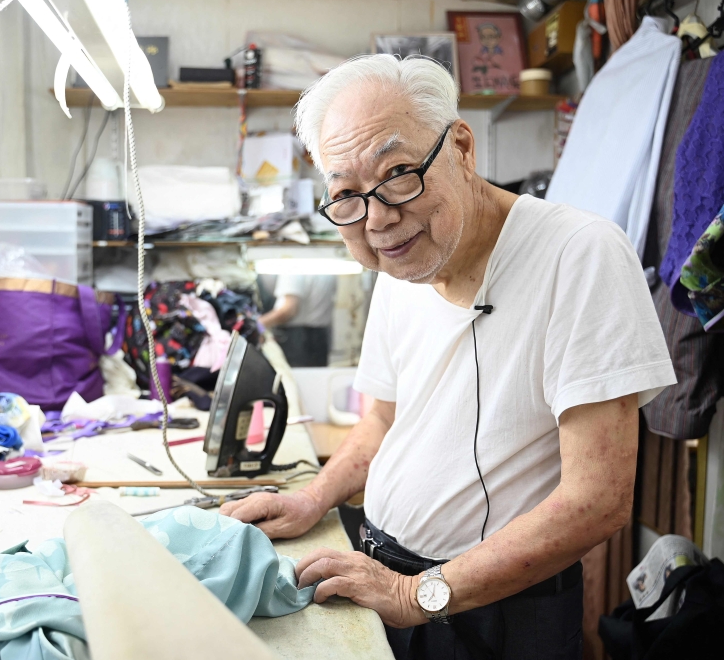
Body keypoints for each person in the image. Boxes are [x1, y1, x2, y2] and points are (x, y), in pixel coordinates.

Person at [221, 55, 675, 660]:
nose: (378, 218)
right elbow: (382, 422)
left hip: (493, 609)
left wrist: (418, 595)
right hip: (385, 576)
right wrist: (316, 496)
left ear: (461, 146)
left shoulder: (580, 254)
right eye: (347, 196)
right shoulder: (401, 266)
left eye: (400, 173)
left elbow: (597, 500)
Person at [259, 275, 337, 367]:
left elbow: (289, 310)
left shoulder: (293, 268)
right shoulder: (327, 268)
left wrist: (258, 325)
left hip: (298, 339)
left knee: (295, 378)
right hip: (321, 336)